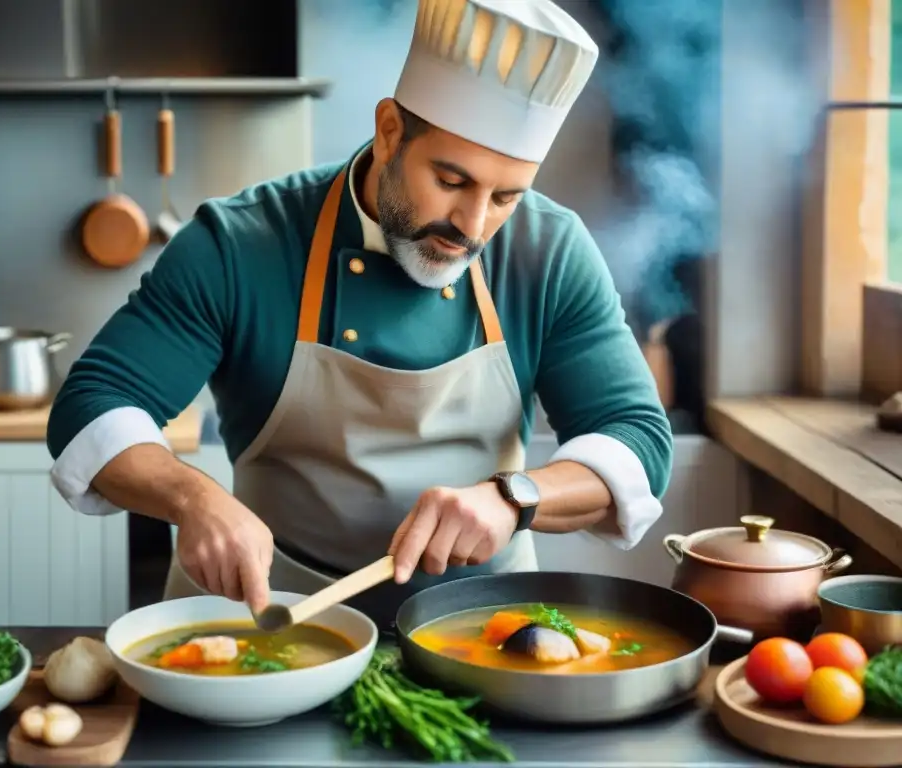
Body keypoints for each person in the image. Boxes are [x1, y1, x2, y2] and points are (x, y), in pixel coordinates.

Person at [47, 0, 674, 630]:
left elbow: (637, 440)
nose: (473, 226)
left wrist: (518, 497)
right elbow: (95, 403)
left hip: (487, 628)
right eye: (452, 181)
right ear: (390, 132)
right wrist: (192, 497)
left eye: (507, 196)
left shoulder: (550, 250)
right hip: (272, 615)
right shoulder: (239, 245)